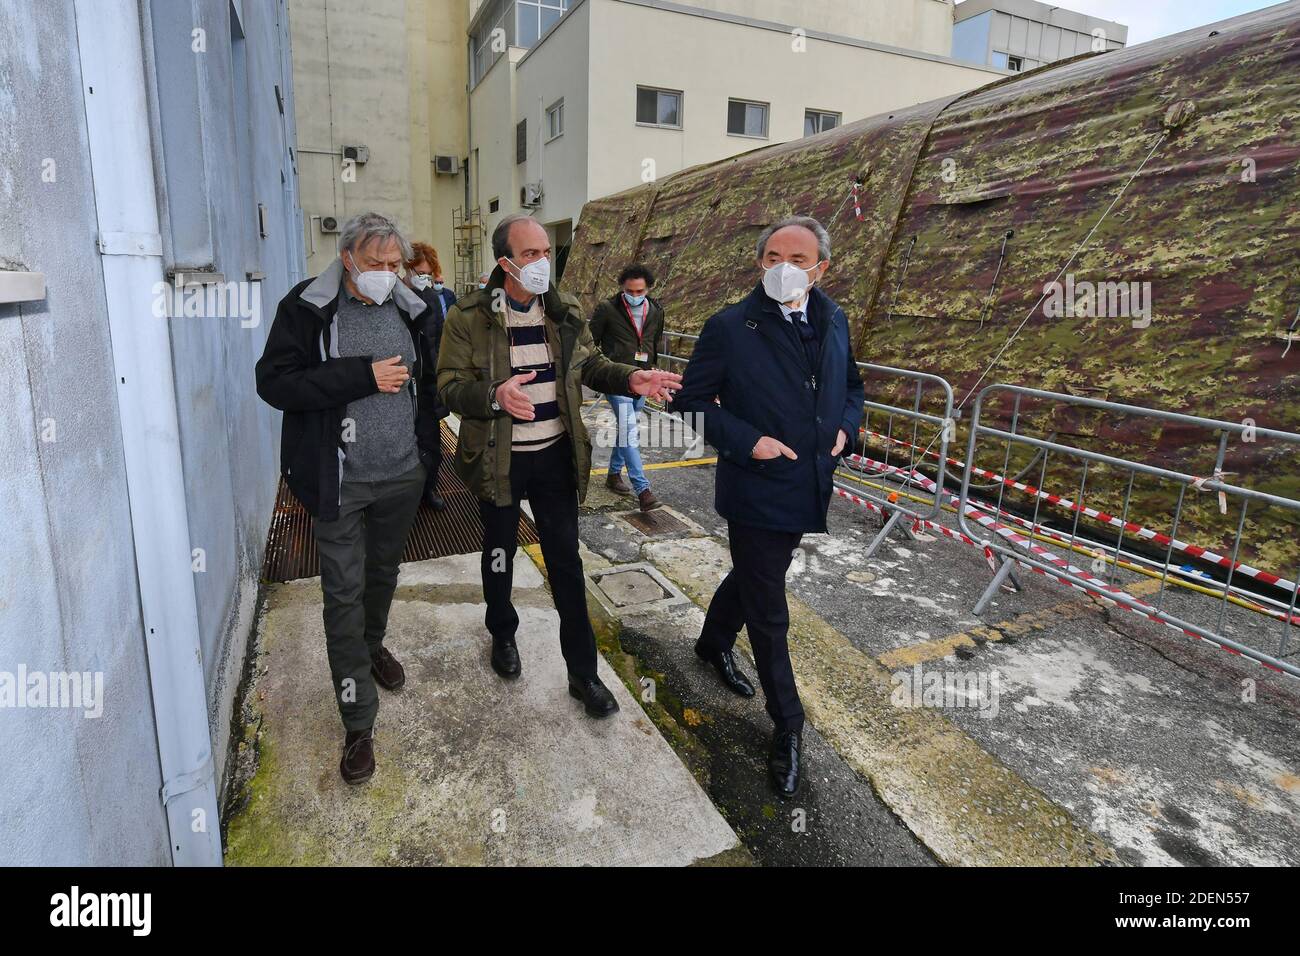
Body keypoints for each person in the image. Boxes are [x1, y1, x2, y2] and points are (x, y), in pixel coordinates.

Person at [437, 213, 682, 717]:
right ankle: (502, 633)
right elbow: (447, 388)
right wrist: (493, 395)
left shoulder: (564, 309)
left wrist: (629, 378)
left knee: (567, 564)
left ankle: (583, 675)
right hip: (498, 460)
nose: (541, 262)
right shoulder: (467, 317)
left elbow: (589, 365)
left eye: (545, 252)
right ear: (504, 261)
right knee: (500, 553)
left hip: (554, 456)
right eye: (530, 254)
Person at [671, 215, 864, 797]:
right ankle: (788, 724)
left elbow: (851, 388)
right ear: (760, 262)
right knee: (770, 608)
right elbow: (693, 401)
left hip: (810, 481)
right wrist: (747, 439)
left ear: (821, 268)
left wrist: (846, 432)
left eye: (798, 259)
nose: (784, 267)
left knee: (759, 575)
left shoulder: (834, 319)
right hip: (757, 483)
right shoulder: (731, 326)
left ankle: (710, 643)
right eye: (773, 255)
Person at [256, 212, 438, 785]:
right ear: (348, 258)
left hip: (402, 475)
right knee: (342, 595)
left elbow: (428, 385)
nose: (389, 274)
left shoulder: (412, 308)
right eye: (378, 264)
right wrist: (360, 375)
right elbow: (274, 382)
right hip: (340, 481)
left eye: (395, 265)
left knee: (382, 574)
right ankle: (358, 722)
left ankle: (374, 645)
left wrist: (428, 454)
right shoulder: (306, 307)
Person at [588, 263, 666, 511]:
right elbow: (589, 344)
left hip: (642, 380)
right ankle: (643, 489)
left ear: (648, 289)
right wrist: (603, 369)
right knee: (630, 428)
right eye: (630, 291)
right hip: (616, 379)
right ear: (622, 288)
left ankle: (613, 474)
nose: (635, 296)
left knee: (626, 429)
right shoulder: (607, 309)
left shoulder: (656, 310)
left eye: (639, 291)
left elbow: (655, 341)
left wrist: (655, 371)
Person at [404, 242, 456, 511]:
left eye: (427, 273)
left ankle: (429, 490)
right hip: (400, 388)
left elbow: (441, 342)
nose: (423, 278)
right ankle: (405, 498)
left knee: (431, 447)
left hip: (427, 387)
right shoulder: (393, 299)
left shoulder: (433, 299)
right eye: (418, 272)